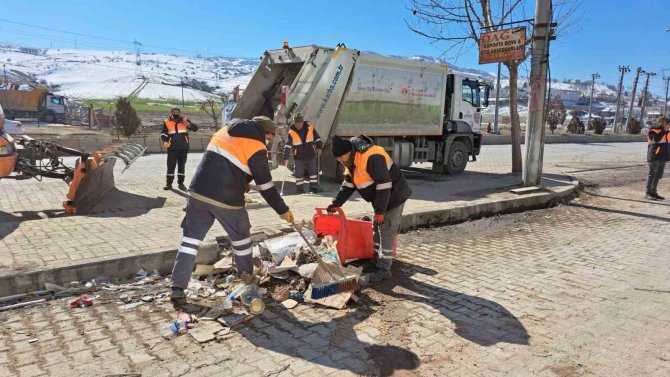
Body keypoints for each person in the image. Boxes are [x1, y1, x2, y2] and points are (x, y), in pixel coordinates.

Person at [169, 116, 294, 308]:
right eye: (270, 137)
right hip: (227, 201)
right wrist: (283, 210)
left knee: (190, 242)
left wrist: (242, 181)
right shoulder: (257, 147)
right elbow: (267, 187)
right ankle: (247, 282)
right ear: (265, 133)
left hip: (198, 193)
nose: (269, 141)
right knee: (241, 240)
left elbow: (224, 163)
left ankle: (177, 288)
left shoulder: (224, 131)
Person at [326, 135, 411, 283]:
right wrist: (336, 203)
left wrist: (380, 211)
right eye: (338, 158)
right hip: (382, 199)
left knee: (386, 230)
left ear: (348, 151)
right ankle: (376, 261)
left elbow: (384, 185)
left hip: (394, 195)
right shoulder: (351, 159)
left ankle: (384, 269)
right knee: (376, 227)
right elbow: (348, 184)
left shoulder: (372, 156)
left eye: (341, 157)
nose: (340, 160)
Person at [283, 114, 323, 194]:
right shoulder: (291, 132)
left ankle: (313, 188)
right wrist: (285, 157)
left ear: (303, 122)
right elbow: (287, 146)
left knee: (313, 173)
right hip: (298, 157)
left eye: (300, 123)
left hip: (310, 155)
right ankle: (300, 190)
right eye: (297, 124)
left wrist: (319, 147)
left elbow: (317, 138)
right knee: (298, 174)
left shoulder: (310, 128)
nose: (299, 125)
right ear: (294, 123)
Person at [161, 107, 197, 191]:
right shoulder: (167, 122)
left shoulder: (185, 120)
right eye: (174, 112)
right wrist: (165, 142)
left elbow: (195, 129)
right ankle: (169, 184)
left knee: (181, 166)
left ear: (180, 113)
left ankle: (181, 184)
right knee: (170, 166)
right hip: (172, 148)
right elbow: (163, 133)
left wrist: (188, 125)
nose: (176, 113)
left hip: (183, 148)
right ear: (171, 112)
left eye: (177, 112)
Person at [645, 116, 669, 200]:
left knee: (658, 175)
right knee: (652, 174)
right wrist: (664, 131)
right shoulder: (653, 130)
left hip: (663, 157)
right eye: (666, 122)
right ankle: (648, 193)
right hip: (654, 156)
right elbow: (656, 139)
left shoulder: (667, 132)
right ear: (661, 122)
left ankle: (654, 192)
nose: (668, 124)